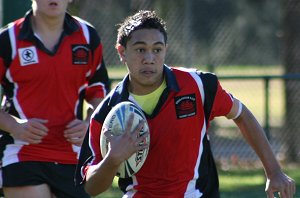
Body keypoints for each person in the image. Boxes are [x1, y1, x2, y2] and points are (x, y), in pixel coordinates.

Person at [75, 10, 296, 198]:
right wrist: (113, 159)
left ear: (165, 50)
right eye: (140, 49)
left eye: (157, 49)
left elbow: (240, 114)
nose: (149, 58)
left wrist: (273, 170)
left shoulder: (198, 85)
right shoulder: (106, 113)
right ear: (122, 52)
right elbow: (91, 187)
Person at [0, 0, 110, 197]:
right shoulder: (8, 39)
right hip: (22, 152)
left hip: (72, 155)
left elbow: (99, 93)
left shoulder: (86, 35)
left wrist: (89, 124)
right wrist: (14, 125)